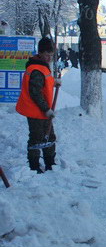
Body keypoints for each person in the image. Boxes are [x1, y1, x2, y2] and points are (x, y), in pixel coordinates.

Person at [16, 37, 60, 173]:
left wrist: (54, 83)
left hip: (41, 109)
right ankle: (34, 166)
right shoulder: (36, 69)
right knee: (36, 137)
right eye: (47, 55)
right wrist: (46, 109)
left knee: (49, 136)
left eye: (51, 55)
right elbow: (35, 92)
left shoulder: (41, 66)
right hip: (35, 110)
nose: (49, 58)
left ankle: (50, 162)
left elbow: (43, 84)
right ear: (40, 53)